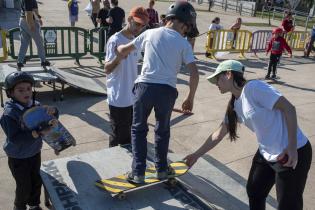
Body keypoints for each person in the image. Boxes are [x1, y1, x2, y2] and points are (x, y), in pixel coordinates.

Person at [184, 60, 312, 210]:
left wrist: (291, 147)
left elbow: (289, 108)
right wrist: (196, 155)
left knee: (288, 205)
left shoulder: (254, 88)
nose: (216, 83)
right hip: (267, 153)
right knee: (255, 191)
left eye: (217, 78)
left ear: (229, 74)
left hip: (292, 152)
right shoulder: (235, 105)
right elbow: (218, 134)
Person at [116, 1, 199, 184]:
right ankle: (161, 169)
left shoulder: (149, 33)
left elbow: (124, 49)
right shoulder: (184, 44)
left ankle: (138, 172)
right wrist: (189, 97)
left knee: (138, 130)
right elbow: (194, 73)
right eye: (187, 29)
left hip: (144, 88)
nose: (186, 32)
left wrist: (119, 50)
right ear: (184, 23)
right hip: (167, 92)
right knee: (162, 130)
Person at [0, 72, 58, 210]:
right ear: (10, 93)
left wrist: (53, 112)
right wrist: (37, 133)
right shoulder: (9, 114)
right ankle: (19, 206)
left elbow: (49, 122)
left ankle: (33, 205)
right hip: (18, 157)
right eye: (20, 90)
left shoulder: (35, 105)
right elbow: (15, 139)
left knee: (36, 181)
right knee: (24, 185)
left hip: (34, 152)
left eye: (28, 89)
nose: (26, 92)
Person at [104, 7, 149, 147]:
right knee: (117, 137)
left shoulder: (135, 41)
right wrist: (119, 58)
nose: (139, 28)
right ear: (129, 19)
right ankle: (112, 164)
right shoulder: (115, 40)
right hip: (118, 98)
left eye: (142, 26)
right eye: (137, 24)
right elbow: (107, 69)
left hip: (131, 98)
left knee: (127, 137)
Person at [17, 0, 50, 69]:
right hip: (29, 21)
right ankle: (43, 61)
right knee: (39, 42)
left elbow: (34, 10)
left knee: (24, 43)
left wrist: (39, 19)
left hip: (22, 21)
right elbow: (28, 13)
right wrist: (31, 25)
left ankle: (20, 61)